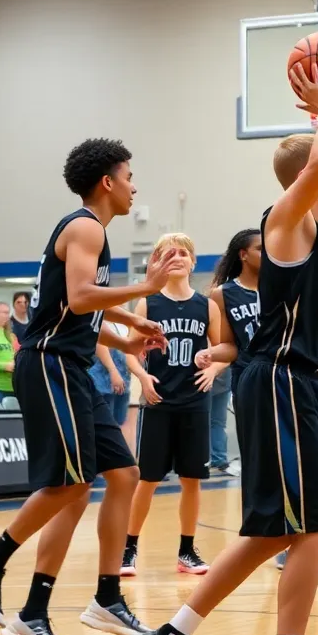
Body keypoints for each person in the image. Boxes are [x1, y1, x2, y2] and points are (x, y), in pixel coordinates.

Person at [134, 70, 318, 635]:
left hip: (291, 385)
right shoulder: (283, 222)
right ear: (309, 175)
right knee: (313, 525)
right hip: (279, 380)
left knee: (277, 529)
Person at [0, 138, 179, 635]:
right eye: (129, 176)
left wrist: (124, 331)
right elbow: (79, 298)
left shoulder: (91, 233)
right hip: (50, 367)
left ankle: (85, 601)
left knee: (121, 475)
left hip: (71, 365)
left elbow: (74, 307)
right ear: (107, 182)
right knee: (71, 485)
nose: (134, 186)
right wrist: (143, 291)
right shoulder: (84, 227)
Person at [122, 233, 218, 579]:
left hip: (194, 402)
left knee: (192, 480)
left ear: (193, 262)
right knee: (147, 480)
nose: (177, 258)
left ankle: (187, 550)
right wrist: (143, 379)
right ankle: (128, 548)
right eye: (169, 253)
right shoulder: (148, 303)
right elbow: (131, 351)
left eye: (183, 253)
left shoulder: (207, 306)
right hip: (158, 403)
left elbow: (222, 348)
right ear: (159, 263)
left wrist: (215, 369)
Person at [205, 227, 262, 477]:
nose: (268, 254)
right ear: (243, 255)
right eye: (260, 249)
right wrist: (208, 355)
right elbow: (229, 345)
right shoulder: (223, 294)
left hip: (283, 376)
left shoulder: (283, 288)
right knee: (255, 454)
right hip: (247, 379)